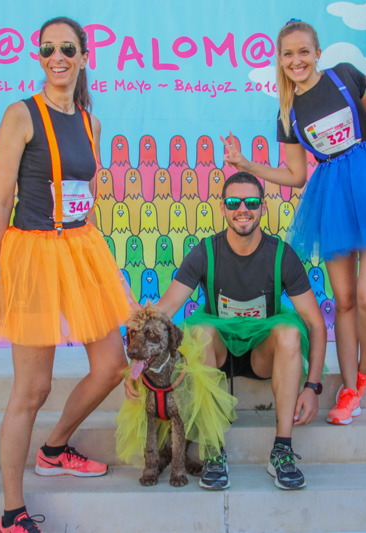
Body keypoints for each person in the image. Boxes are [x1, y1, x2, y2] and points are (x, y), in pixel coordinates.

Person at [222, 20, 366, 426]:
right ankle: (348, 388)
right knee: (342, 300)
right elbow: (295, 176)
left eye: (303, 51)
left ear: (318, 52)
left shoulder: (344, 76)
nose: (296, 60)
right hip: (330, 196)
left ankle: (365, 367)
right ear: (280, 60)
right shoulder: (287, 113)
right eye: (288, 54)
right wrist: (244, 164)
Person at [0, 17, 132, 533]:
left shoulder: (91, 121)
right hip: (31, 255)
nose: (57, 57)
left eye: (67, 48)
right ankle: (11, 512)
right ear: (39, 57)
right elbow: (0, 199)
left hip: (80, 247)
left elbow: (84, 196)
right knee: (32, 388)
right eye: (47, 49)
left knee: (112, 364)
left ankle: (53, 448)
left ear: (84, 56)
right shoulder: (21, 114)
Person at [126, 171, 327, 491]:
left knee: (290, 332)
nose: (242, 209)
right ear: (222, 208)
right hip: (217, 353)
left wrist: (313, 386)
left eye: (251, 202)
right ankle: (213, 450)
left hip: (263, 353)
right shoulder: (205, 252)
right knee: (200, 330)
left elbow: (316, 323)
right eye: (234, 202)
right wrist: (135, 367)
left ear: (263, 207)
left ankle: (282, 451)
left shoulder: (281, 255)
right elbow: (163, 311)